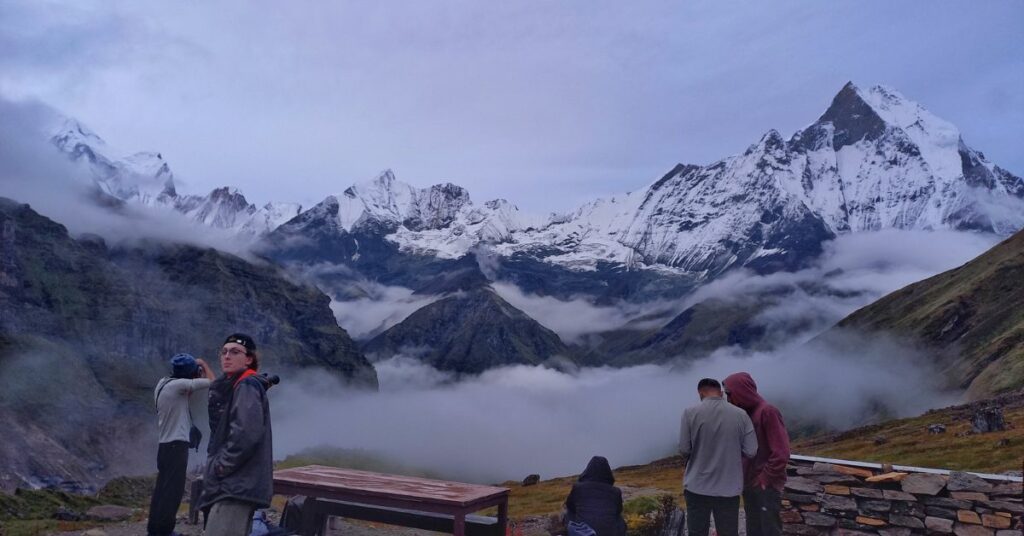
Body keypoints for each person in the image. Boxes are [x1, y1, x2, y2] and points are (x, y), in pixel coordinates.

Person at [198, 334, 275, 536]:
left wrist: (221, 466)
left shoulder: (247, 386)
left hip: (236, 484)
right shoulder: (236, 385)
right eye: (223, 352)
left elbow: (246, 434)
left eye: (234, 352)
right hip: (236, 482)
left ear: (248, 359)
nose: (227, 356)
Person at [679, 378, 757, 536]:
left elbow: (684, 449)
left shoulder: (689, 413)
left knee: (696, 532)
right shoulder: (741, 415)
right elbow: (751, 451)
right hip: (728, 488)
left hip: (697, 486)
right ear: (721, 393)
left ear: (700, 393)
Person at [147, 353, 214, 536]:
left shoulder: (163, 383)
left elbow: (190, 393)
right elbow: (213, 383)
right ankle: (165, 531)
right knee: (173, 492)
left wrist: (193, 372)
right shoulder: (179, 385)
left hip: (165, 446)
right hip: (176, 446)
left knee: (162, 490)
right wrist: (202, 364)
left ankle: (155, 529)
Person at [722, 372, 790, 536]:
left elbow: (781, 452)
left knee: (770, 531)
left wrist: (764, 479)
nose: (728, 400)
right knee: (754, 530)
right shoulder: (746, 415)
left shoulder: (767, 412)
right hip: (750, 486)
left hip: (765, 487)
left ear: (742, 391)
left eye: (730, 394)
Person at [564, 456, 627, 536]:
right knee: (618, 517)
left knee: (569, 512)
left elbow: (570, 505)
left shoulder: (578, 487)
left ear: (588, 470)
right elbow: (619, 510)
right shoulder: (616, 491)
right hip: (610, 533)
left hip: (584, 533)